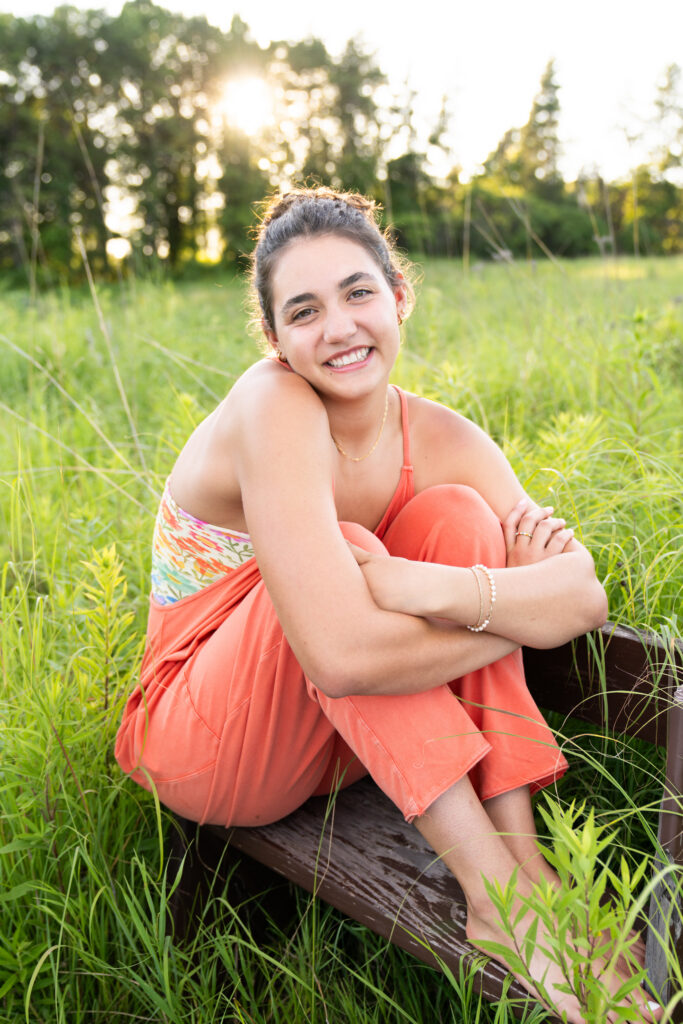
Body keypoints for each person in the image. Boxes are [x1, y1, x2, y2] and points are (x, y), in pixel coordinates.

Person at [115, 187, 661, 1024]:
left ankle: (524, 864)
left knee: (457, 520)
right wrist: (502, 617)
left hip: (347, 731)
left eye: (358, 292)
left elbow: (579, 595)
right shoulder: (273, 408)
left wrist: (436, 590)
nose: (338, 327)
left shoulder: (443, 437)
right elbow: (338, 655)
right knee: (347, 570)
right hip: (208, 738)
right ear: (276, 341)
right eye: (303, 310)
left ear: (399, 297)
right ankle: (498, 905)